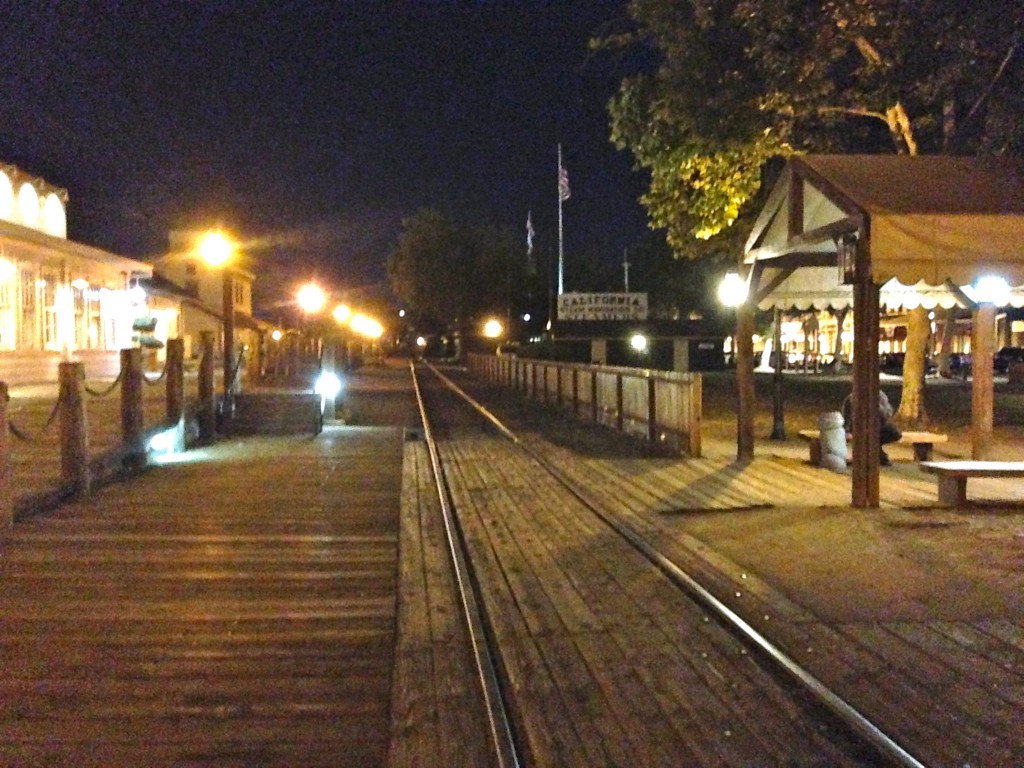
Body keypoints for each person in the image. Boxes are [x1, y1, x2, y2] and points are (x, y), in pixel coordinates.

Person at [841, 390, 902, 466]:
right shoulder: (850, 399)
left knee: (893, 433)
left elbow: (888, 413)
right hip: (859, 430)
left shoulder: (880, 395)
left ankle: (876, 455)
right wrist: (847, 432)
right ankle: (876, 456)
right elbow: (846, 419)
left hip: (879, 428)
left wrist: (877, 406)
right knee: (866, 437)